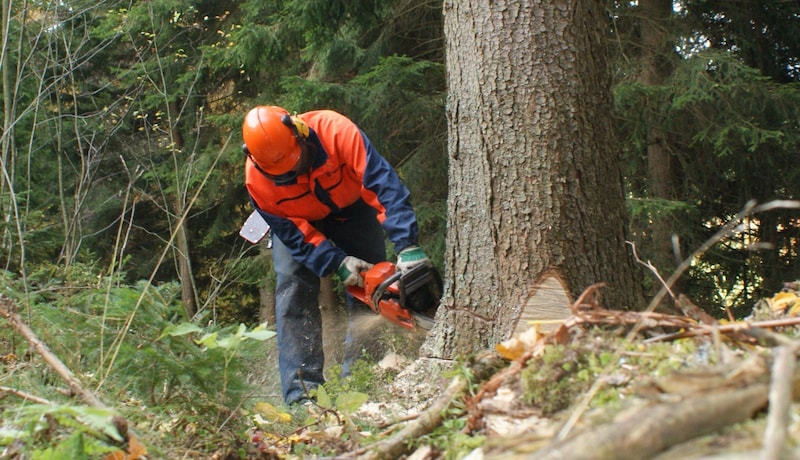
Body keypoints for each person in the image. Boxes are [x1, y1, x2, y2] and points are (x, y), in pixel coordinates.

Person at [242, 105, 431, 405]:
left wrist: (407, 245)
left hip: (351, 207)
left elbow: (382, 184)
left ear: (300, 133)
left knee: (374, 286)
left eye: (296, 162)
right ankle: (302, 394)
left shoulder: (336, 131)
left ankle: (361, 377)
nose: (293, 171)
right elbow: (294, 234)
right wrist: (335, 262)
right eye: (284, 173)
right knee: (293, 288)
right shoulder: (257, 180)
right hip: (299, 224)